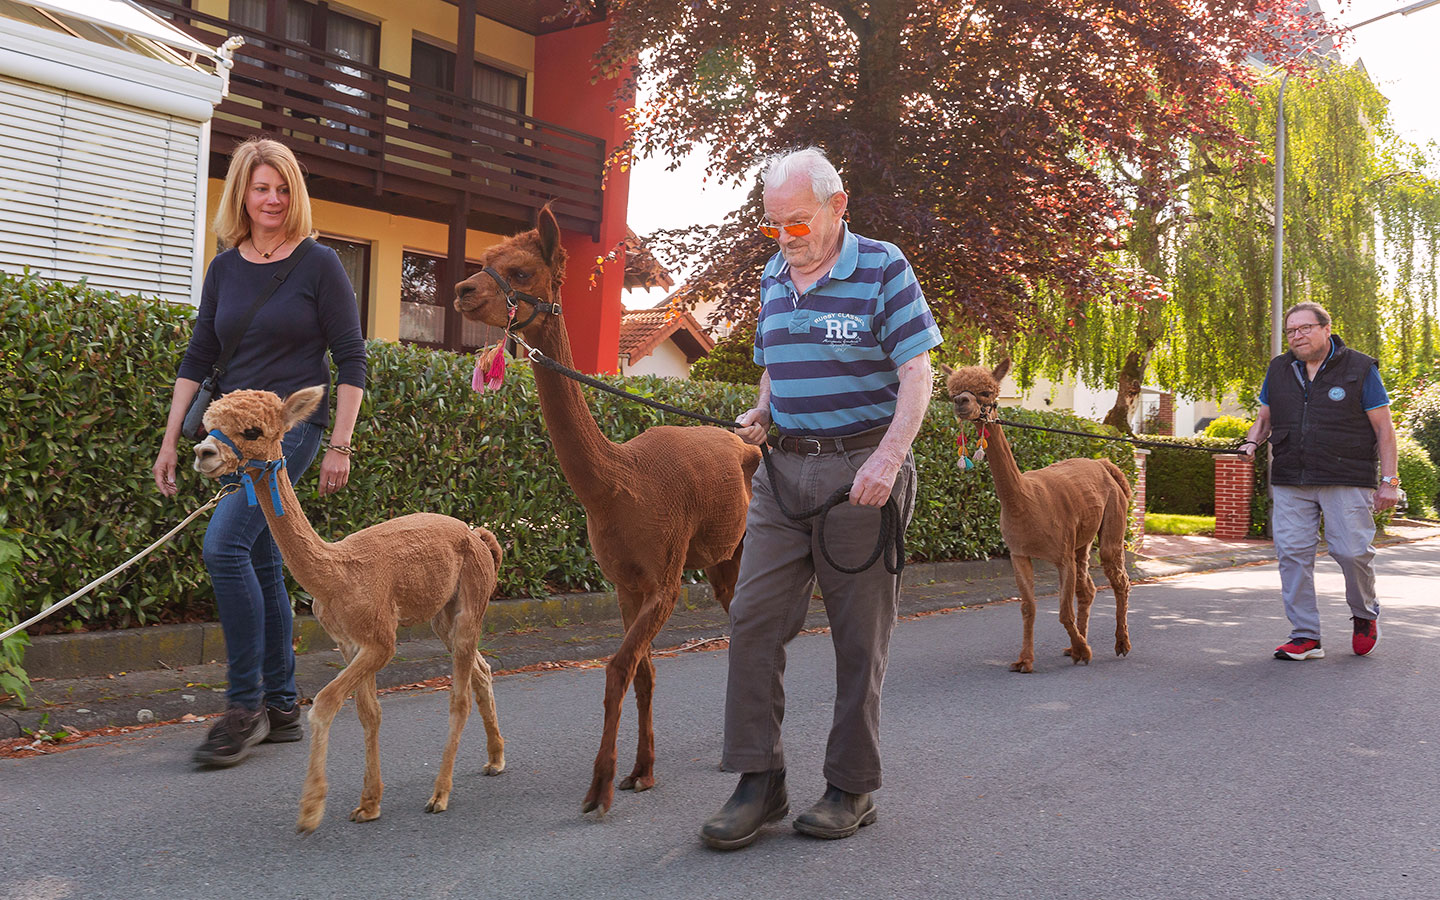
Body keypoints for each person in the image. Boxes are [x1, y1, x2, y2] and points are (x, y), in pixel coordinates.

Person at [700, 147, 942, 849]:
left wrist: (889, 461)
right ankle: (758, 779)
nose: (784, 240)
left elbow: (917, 374)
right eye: (773, 226)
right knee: (751, 619)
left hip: (861, 473)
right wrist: (759, 414)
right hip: (784, 473)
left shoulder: (883, 268)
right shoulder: (776, 273)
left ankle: (851, 786)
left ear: (838, 207)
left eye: (797, 224)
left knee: (859, 640)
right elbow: (778, 365)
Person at [152, 137, 367, 766]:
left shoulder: (319, 263)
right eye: (259, 187)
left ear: (294, 193)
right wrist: (170, 441)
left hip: (287, 430)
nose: (271, 199)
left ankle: (243, 706)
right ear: (242, 193)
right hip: (231, 431)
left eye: (281, 188)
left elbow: (351, 358)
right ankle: (280, 705)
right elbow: (198, 357)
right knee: (264, 559)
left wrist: (340, 443)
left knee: (224, 545)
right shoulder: (223, 268)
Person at [1239, 301, 1398, 661]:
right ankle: (1305, 635)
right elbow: (1264, 419)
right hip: (1291, 476)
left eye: (1304, 328)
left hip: (1346, 475)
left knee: (1351, 552)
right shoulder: (1279, 369)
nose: (1297, 336)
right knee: (1292, 554)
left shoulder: (1360, 368)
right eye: (1291, 331)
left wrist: (1389, 480)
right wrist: (1251, 442)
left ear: (1326, 329)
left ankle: (1364, 615)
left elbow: (1384, 429)